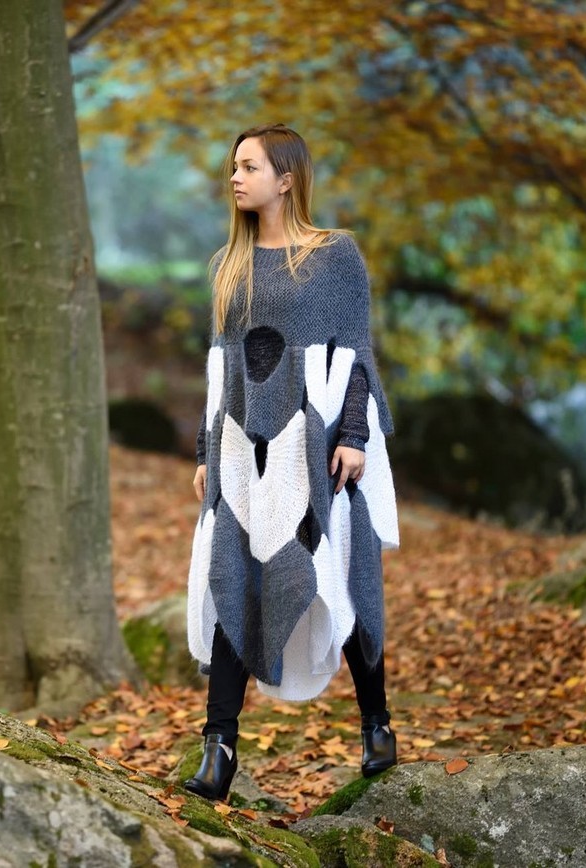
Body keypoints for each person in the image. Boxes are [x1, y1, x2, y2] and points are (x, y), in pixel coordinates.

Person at [183, 123, 400, 801]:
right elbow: (221, 372)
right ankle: (218, 749)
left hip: (322, 446)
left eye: (248, 166)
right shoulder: (229, 265)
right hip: (245, 451)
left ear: (286, 178)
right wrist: (207, 453)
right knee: (233, 574)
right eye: (234, 166)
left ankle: (376, 724)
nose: (235, 177)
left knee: (342, 571)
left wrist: (355, 435)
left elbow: (356, 354)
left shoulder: (334, 256)